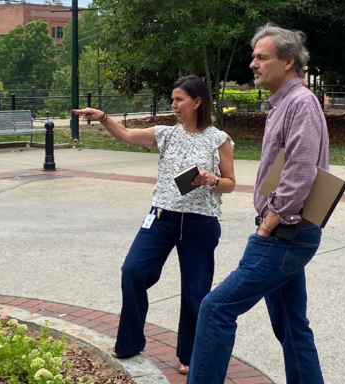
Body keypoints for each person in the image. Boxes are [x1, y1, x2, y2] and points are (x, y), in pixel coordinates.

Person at [186, 23, 330, 384]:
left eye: (261, 57)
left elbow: (300, 172)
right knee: (292, 327)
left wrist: (269, 224)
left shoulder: (300, 103)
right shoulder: (284, 103)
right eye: (254, 57)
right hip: (287, 231)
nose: (253, 63)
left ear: (288, 62)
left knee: (216, 308)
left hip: (285, 233)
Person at [73, 75, 236, 374]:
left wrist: (211, 180)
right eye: (172, 99)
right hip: (161, 217)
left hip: (200, 223)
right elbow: (126, 135)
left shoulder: (219, 139)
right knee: (133, 271)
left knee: (195, 292)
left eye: (179, 99)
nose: (173, 105)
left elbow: (230, 183)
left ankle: (190, 354)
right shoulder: (166, 134)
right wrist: (104, 117)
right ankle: (130, 341)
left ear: (197, 102)